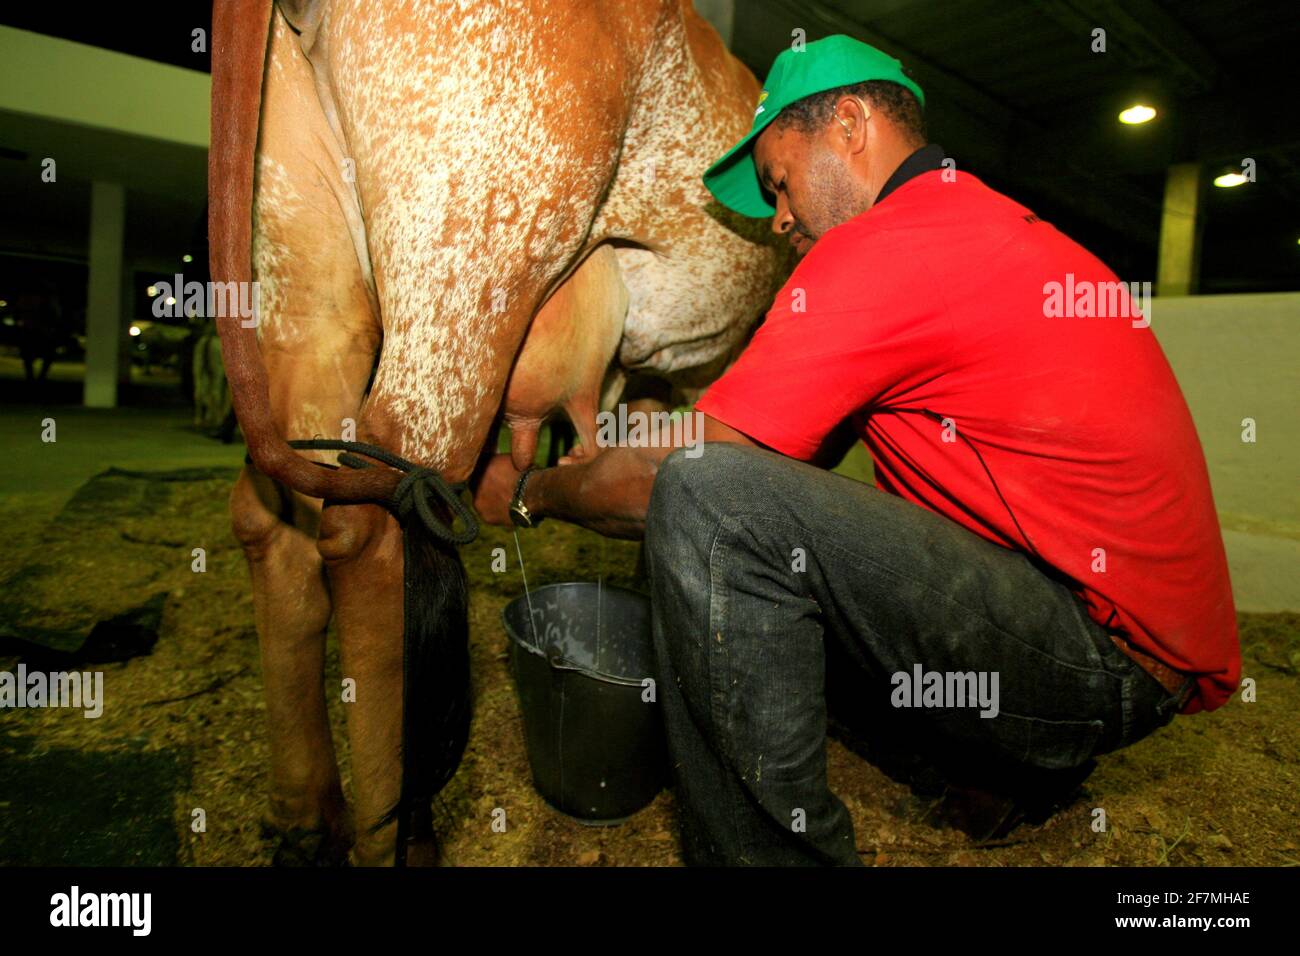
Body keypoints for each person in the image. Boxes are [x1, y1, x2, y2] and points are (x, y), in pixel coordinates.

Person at [474, 34, 1240, 866]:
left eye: (781, 182)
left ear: (849, 124)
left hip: (1094, 663)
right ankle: (996, 763)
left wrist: (535, 493)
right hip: (1101, 647)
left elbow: (686, 480)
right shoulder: (966, 220)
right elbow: (790, 476)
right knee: (756, 529)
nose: (782, 218)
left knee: (709, 496)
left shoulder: (891, 243)